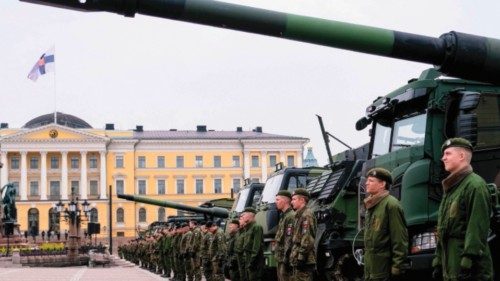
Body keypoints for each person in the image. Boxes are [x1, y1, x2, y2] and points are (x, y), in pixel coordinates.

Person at [432, 138, 493, 281]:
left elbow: (477, 227)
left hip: (470, 268)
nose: (443, 158)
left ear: (461, 156)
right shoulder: (452, 189)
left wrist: (468, 259)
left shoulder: (475, 185)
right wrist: (438, 259)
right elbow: (443, 229)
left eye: (447, 154)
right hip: (452, 264)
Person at [363, 168, 408, 281]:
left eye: (371, 180)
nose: (366, 183)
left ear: (382, 184)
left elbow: (399, 238)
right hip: (371, 268)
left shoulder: (391, 204)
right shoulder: (372, 205)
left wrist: (397, 267)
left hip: (384, 270)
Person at [290, 188, 316, 281]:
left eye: (294, 199)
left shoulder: (306, 215)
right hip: (298, 258)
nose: (291, 202)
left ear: (302, 200)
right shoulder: (298, 215)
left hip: (304, 260)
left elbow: (307, 238)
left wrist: (301, 258)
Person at [274, 190, 295, 281]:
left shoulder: (290, 216)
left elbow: (289, 239)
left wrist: (286, 259)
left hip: (285, 258)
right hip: (281, 257)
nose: (276, 202)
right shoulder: (284, 216)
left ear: (285, 201)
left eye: (278, 200)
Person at [241, 207, 264, 281]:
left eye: (244, 214)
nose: (242, 216)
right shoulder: (247, 228)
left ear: (250, 215)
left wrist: (252, 261)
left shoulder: (256, 227)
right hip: (248, 260)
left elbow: (256, 246)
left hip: (254, 262)